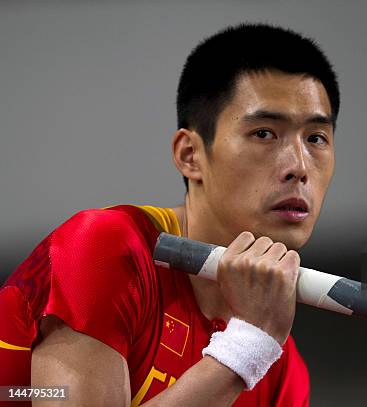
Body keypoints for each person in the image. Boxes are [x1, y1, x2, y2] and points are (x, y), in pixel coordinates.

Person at [0, 23, 340, 406]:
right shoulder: (103, 249)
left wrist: (254, 344)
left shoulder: (281, 371)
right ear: (190, 155)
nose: (299, 166)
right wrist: (246, 347)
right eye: (264, 133)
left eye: (316, 138)